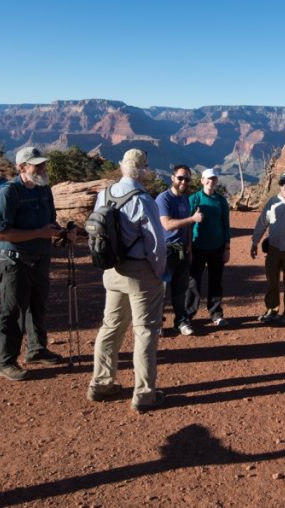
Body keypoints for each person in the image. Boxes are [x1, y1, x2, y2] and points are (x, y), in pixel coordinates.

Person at [87, 149, 168, 413]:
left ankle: (101, 383)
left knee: (110, 327)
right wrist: (159, 273)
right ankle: (144, 393)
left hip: (112, 271)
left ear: (122, 167)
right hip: (139, 273)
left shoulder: (105, 194)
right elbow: (156, 243)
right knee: (145, 332)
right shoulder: (144, 199)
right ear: (143, 171)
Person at [0, 146, 75, 381]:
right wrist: (39, 233)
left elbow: (50, 223)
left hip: (40, 258)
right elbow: (1, 234)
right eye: (37, 165)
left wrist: (63, 233)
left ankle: (36, 349)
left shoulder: (44, 190)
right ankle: (5, 361)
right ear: (21, 168)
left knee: (37, 305)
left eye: (43, 165)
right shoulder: (9, 193)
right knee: (12, 310)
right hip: (14, 261)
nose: (42, 169)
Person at [250, 171, 285, 327]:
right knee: (272, 282)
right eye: (282, 184)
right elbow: (262, 222)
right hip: (273, 249)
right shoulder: (272, 202)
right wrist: (255, 242)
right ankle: (272, 310)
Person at [156, 164, 203, 336]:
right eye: (180, 178)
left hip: (183, 250)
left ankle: (180, 322)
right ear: (172, 178)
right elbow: (167, 225)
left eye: (187, 179)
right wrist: (192, 218)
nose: (184, 181)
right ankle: (157, 323)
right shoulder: (163, 199)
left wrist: (189, 245)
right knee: (161, 289)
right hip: (166, 251)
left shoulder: (184, 198)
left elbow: (188, 225)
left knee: (180, 289)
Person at [187, 168, 231, 327]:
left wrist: (227, 248)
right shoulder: (194, 199)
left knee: (216, 281)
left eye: (214, 179)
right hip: (198, 246)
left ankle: (216, 314)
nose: (211, 181)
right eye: (208, 179)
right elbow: (188, 224)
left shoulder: (221, 200)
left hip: (217, 247)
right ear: (202, 180)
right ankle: (189, 315)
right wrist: (189, 247)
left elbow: (226, 225)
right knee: (193, 282)